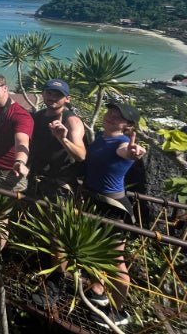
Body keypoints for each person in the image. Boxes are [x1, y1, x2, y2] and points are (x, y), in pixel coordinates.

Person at [80, 102, 146, 328]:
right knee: (93, 249)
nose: (110, 117)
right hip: (93, 201)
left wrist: (135, 152)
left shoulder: (122, 143)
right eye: (110, 112)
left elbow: (130, 152)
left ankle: (118, 311)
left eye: (117, 117)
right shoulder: (101, 136)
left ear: (128, 125)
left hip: (112, 207)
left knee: (116, 260)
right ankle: (98, 290)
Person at [28, 79, 86, 199]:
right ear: (43, 94)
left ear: (67, 99)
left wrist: (62, 139)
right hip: (35, 179)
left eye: (58, 95)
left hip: (59, 185)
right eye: (49, 93)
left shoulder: (72, 121)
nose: (52, 97)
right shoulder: (38, 116)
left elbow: (81, 155)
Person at [0, 73, 34, 193]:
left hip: (9, 173)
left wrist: (20, 161)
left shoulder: (20, 115)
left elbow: (22, 142)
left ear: (5, 88)